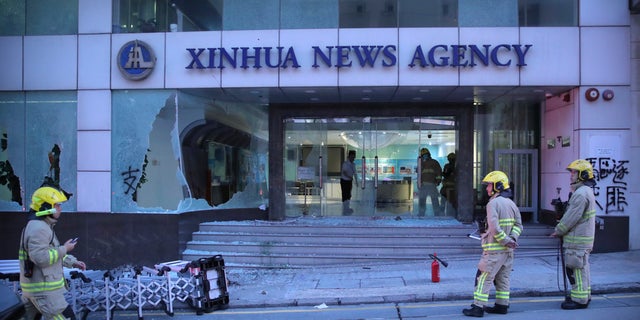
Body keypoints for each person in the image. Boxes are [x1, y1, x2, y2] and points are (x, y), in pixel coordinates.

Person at [19, 186, 86, 320]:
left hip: (39, 291)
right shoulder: (39, 228)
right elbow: (41, 258)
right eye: (57, 205)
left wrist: (72, 262)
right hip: (44, 293)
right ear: (45, 207)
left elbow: (51, 252)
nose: (60, 209)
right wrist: (65, 248)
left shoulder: (42, 226)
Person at [463, 171, 523, 317]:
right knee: (503, 278)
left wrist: (506, 241)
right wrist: (512, 239)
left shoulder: (493, 204)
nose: (487, 188)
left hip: (494, 250)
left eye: (489, 185)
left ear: (498, 186)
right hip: (508, 252)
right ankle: (502, 306)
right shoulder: (512, 204)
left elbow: (495, 228)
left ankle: (478, 307)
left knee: (483, 277)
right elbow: (519, 225)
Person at [550, 159, 596, 310]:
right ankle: (584, 295)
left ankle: (579, 300)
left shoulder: (581, 193)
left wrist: (558, 230)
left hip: (577, 240)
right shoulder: (584, 191)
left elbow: (571, 217)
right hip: (582, 240)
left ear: (582, 174)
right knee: (582, 268)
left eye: (574, 172)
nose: (571, 175)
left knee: (575, 269)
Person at [417, 148, 442, 216]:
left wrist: (438, 181)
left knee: (434, 200)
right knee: (422, 200)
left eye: (426, 154)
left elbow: (439, 173)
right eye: (423, 155)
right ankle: (421, 213)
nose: (425, 156)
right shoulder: (420, 163)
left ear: (429, 154)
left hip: (432, 184)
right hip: (424, 185)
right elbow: (419, 175)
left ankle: (437, 214)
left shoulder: (434, 162)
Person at [340, 150, 357, 214]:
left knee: (349, 194)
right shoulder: (345, 163)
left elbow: (355, 173)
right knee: (345, 194)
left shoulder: (353, 164)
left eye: (354, 157)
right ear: (349, 156)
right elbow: (344, 172)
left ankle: (347, 208)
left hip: (349, 181)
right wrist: (350, 177)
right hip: (344, 181)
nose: (353, 158)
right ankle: (345, 209)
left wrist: (357, 181)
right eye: (352, 157)